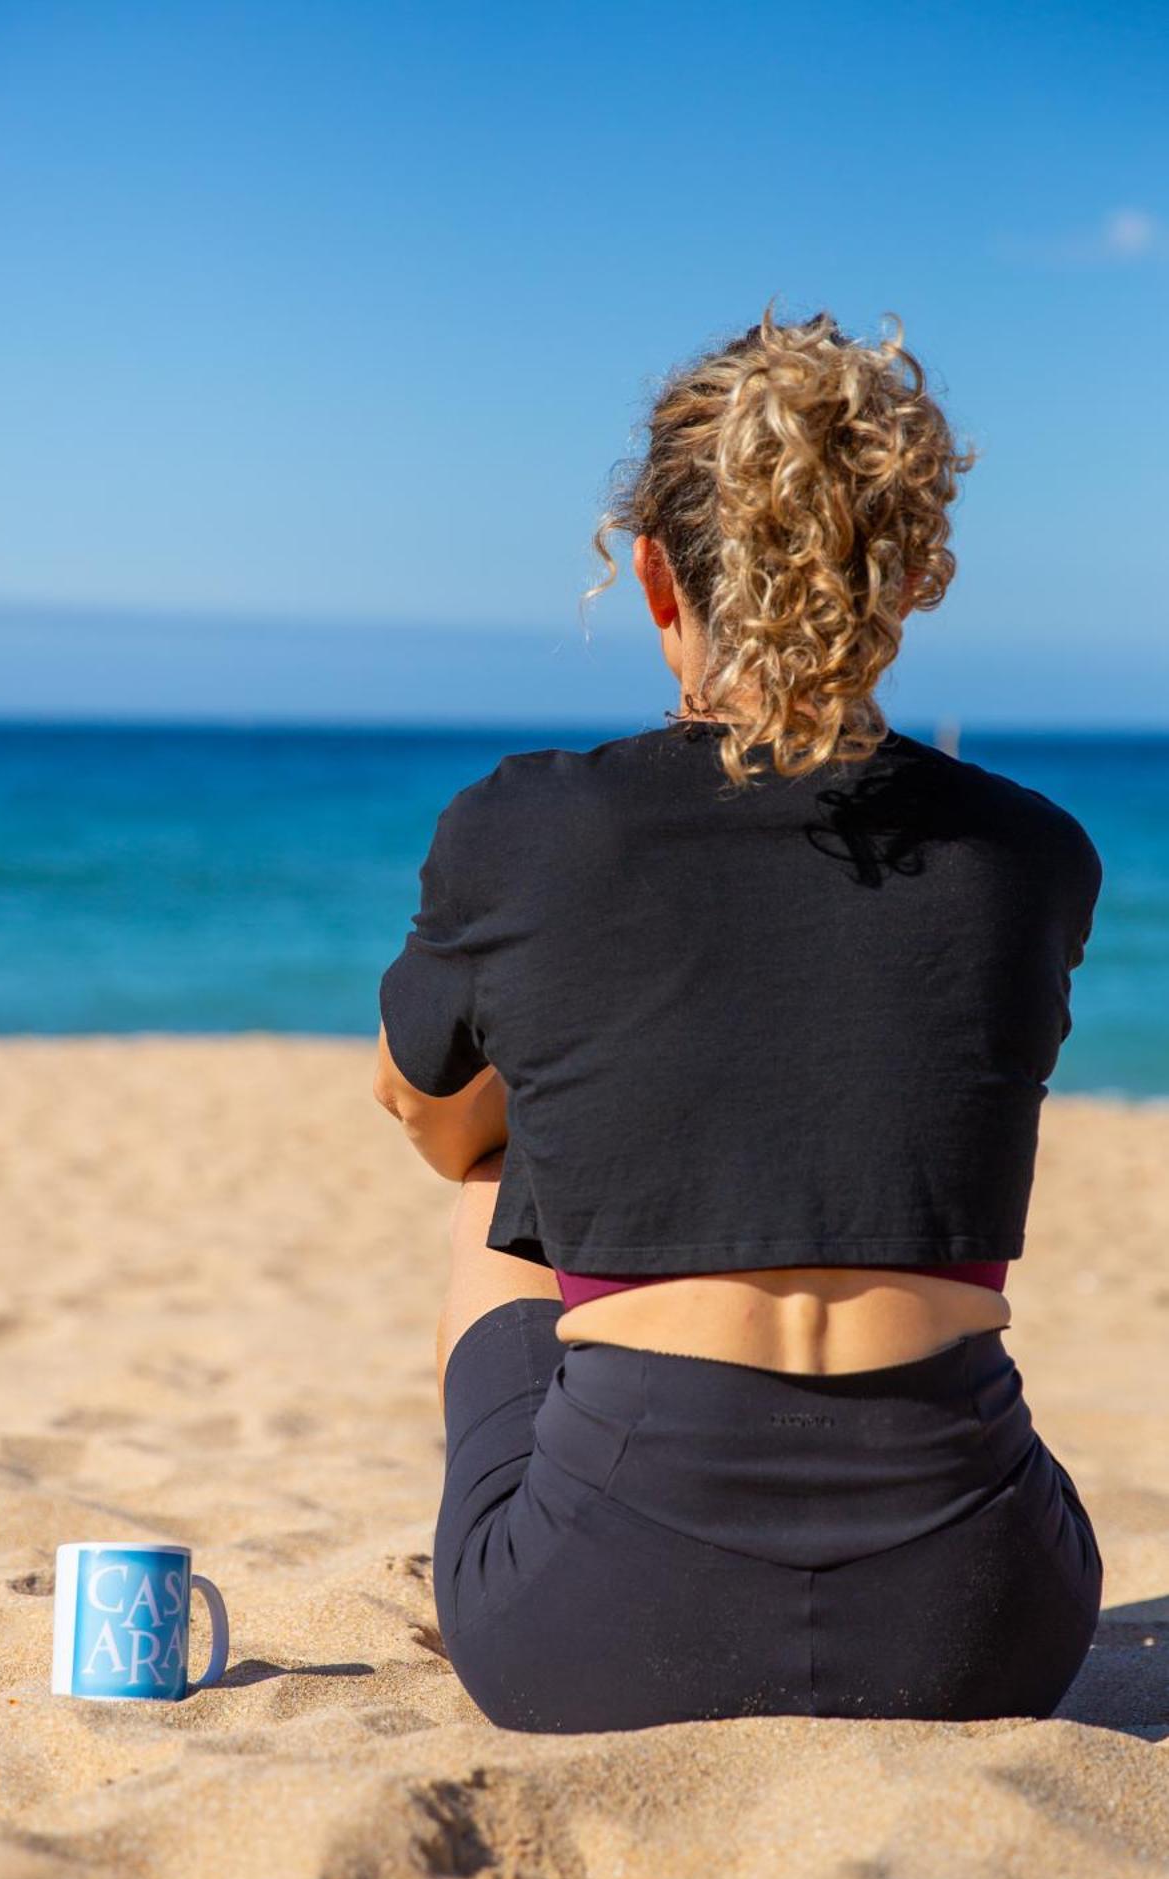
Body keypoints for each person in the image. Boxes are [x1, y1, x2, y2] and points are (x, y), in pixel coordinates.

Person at [372, 302, 1104, 1733]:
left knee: (491, 1179)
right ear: (903, 578)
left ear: (655, 578)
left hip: (598, 1624)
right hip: (987, 1619)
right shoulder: (1034, 855)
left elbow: (431, 1121)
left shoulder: (527, 828)